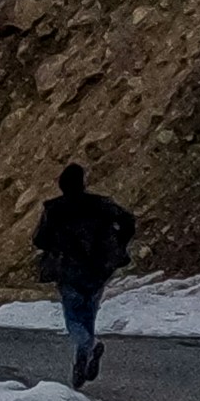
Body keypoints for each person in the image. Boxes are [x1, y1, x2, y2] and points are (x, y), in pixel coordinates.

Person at [30, 161, 136, 385]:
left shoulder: (54, 209)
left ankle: (89, 346)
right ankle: (82, 358)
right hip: (99, 268)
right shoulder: (100, 204)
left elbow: (40, 239)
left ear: (62, 185)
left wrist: (55, 246)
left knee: (74, 318)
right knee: (89, 312)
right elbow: (128, 220)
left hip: (68, 269)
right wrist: (118, 244)